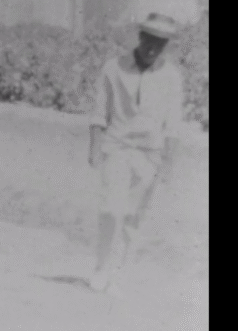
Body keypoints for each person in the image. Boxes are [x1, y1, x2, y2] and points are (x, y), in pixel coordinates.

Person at [88, 12, 184, 294]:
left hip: (150, 155)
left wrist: (168, 164)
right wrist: (94, 147)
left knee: (134, 219)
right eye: (150, 39)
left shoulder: (171, 77)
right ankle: (101, 268)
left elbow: (173, 125)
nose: (153, 48)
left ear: (166, 45)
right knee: (111, 210)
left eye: (161, 43)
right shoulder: (114, 68)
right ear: (140, 37)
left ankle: (118, 275)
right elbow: (99, 112)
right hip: (117, 148)